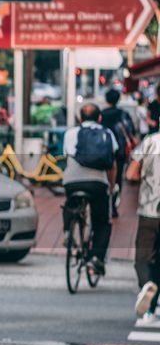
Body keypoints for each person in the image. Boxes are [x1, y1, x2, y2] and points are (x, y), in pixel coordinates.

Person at [62, 103, 118, 276]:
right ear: (99, 118)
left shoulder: (70, 133)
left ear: (80, 118)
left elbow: (67, 157)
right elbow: (112, 165)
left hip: (72, 181)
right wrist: (110, 185)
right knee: (102, 221)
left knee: (70, 203)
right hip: (97, 183)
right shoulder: (107, 134)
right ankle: (95, 259)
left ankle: (69, 231)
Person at [128, 131, 160, 323]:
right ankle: (152, 305)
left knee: (144, 257)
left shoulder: (150, 141)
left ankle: (146, 285)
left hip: (149, 210)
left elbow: (131, 173)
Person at [101, 89, 137, 218]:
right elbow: (131, 129)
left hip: (104, 151)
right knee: (117, 178)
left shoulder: (101, 114)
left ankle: (104, 204)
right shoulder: (123, 114)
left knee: (103, 176)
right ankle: (114, 204)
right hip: (120, 151)